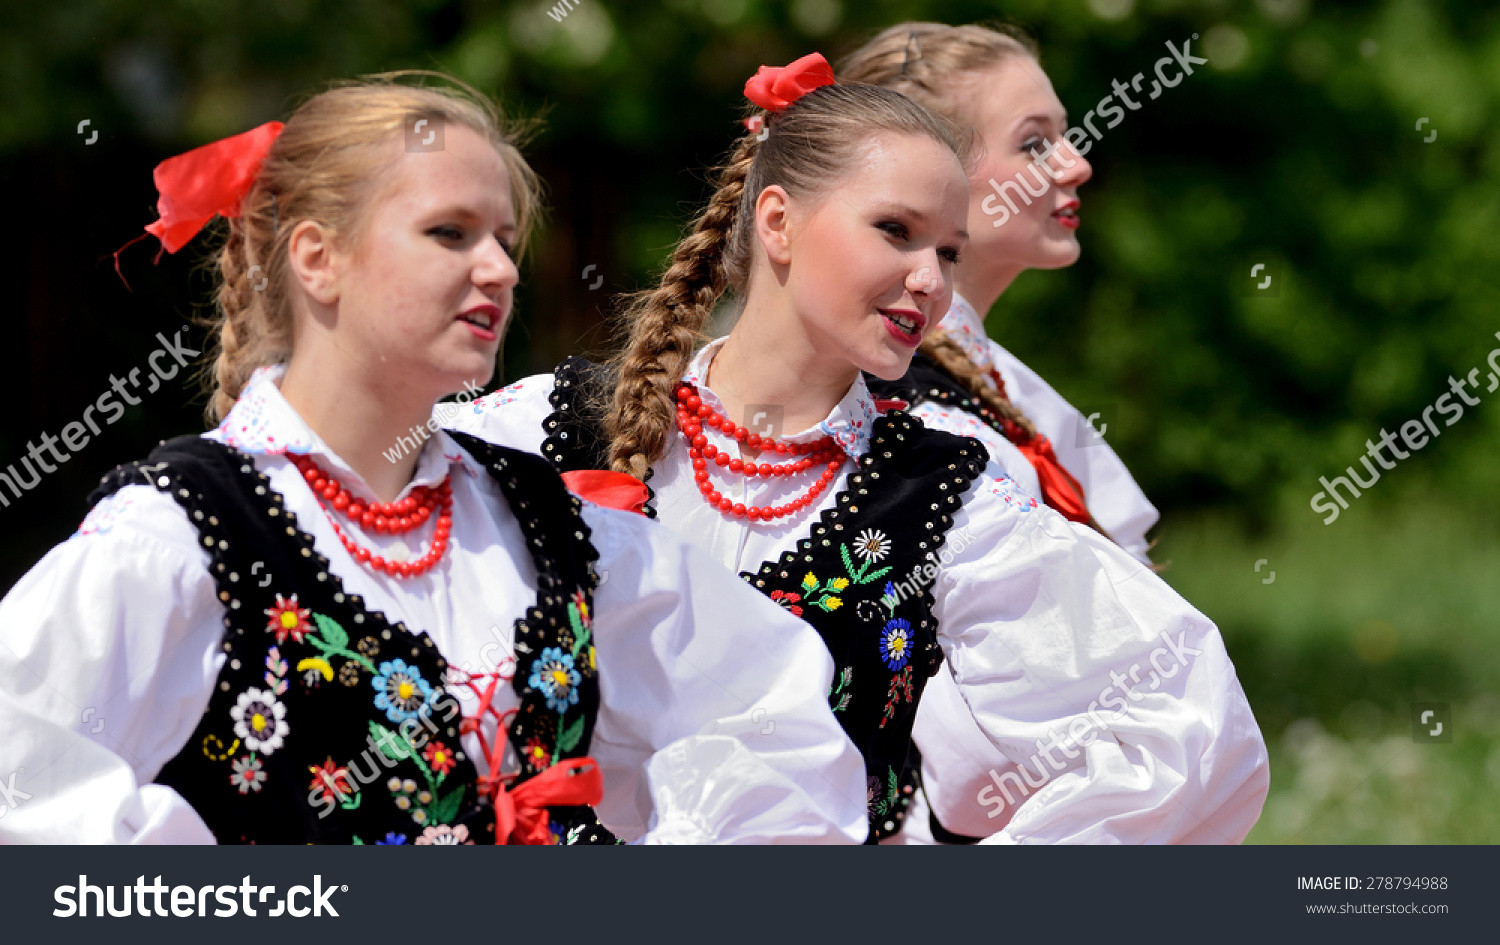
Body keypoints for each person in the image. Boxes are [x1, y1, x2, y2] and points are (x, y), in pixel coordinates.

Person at [0, 75, 869, 845]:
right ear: (317, 257)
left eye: (505, 237)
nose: (498, 267)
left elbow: (774, 722)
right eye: (450, 233)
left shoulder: (546, 528)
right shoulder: (187, 534)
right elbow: (23, 782)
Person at [448, 54, 1269, 843]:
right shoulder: (549, 429)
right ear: (778, 220)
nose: (930, 279)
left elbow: (1185, 722)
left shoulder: (943, 492)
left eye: (946, 249)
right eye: (895, 231)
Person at [839, 23, 1186, 841]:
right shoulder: (891, 400)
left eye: (1064, 137)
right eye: (1036, 143)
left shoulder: (1005, 384)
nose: (1077, 164)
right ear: (939, 172)